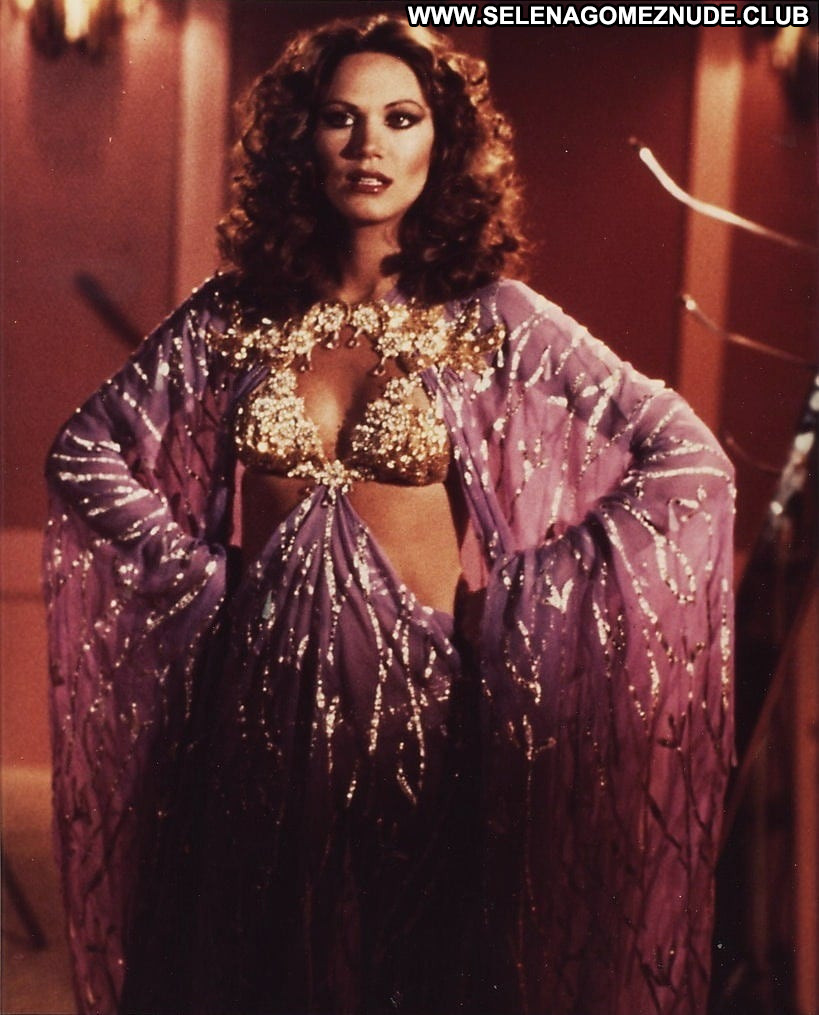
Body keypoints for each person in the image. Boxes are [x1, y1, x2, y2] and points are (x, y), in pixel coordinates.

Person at [44, 14, 735, 1015]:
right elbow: (84, 451)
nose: (368, 145)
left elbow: (688, 461)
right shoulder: (235, 315)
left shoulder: (493, 320)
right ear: (303, 139)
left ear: (441, 145)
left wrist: (522, 604)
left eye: (400, 119)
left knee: (411, 977)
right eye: (341, 118)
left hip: (422, 718)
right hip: (252, 721)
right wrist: (202, 581)